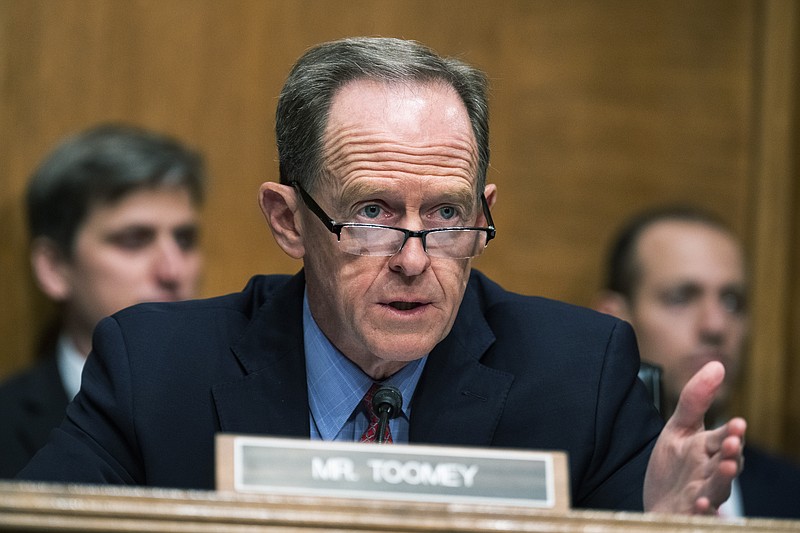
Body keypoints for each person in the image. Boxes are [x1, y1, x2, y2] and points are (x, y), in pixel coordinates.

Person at [17, 37, 745, 515]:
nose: (414, 257)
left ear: (485, 211)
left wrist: (652, 530)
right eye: (371, 211)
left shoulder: (578, 374)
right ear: (287, 220)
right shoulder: (157, 369)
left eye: (448, 213)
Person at [0, 123, 206, 478]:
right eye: (134, 239)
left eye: (184, 240)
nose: (172, 271)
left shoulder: (242, 406)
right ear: (54, 267)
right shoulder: (6, 421)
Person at [594, 205, 800, 519]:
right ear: (613, 318)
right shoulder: (578, 481)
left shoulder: (790, 493)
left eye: (732, 302)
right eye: (681, 297)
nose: (716, 326)